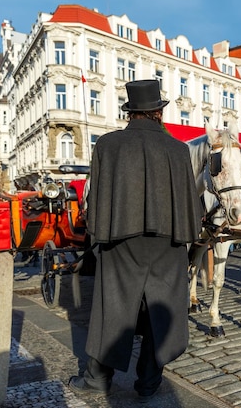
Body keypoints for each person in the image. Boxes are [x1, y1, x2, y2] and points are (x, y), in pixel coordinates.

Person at [68, 80, 203, 401]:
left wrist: (99, 239)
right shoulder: (179, 149)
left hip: (121, 239)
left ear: (130, 112)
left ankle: (98, 377)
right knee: (160, 308)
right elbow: (189, 202)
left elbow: (96, 200)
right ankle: (149, 381)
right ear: (158, 111)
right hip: (168, 241)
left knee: (114, 305)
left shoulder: (108, 145)